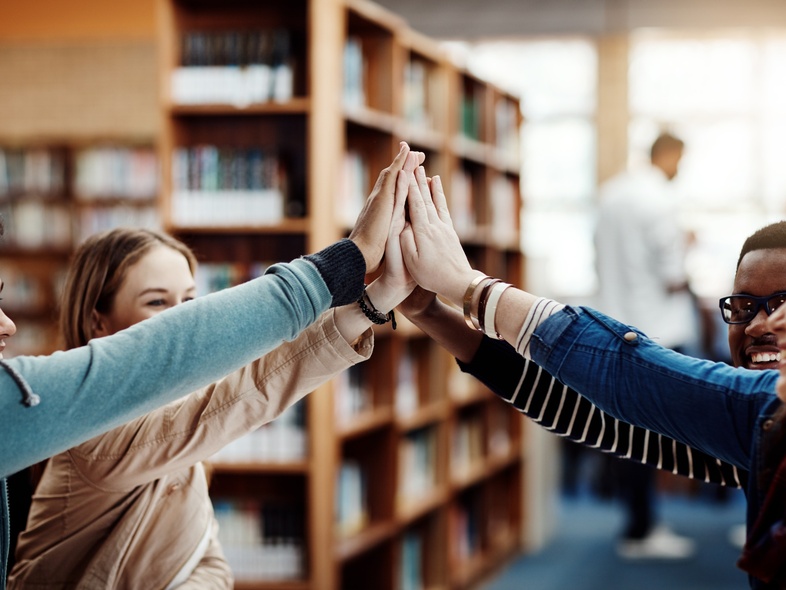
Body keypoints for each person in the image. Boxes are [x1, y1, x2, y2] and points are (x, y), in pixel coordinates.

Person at [0, 141, 419, 588]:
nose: (179, 320)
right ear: (97, 321)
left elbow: (208, 564)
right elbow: (245, 394)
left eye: (190, 302)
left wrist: (380, 296)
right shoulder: (96, 438)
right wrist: (360, 279)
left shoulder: (173, 431)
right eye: (157, 303)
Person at [397, 163, 786, 589]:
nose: (760, 324)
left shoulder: (769, 408)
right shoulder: (758, 433)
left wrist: (467, 285)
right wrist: (431, 312)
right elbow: (595, 417)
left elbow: (620, 373)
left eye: (784, 303)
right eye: (744, 307)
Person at [593, 131, 696, 558]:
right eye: (680, 161)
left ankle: (638, 523)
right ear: (668, 155)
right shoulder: (661, 200)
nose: (680, 170)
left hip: (615, 326)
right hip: (658, 332)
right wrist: (688, 247)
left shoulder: (611, 194)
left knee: (628, 433)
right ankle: (643, 530)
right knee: (655, 435)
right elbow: (673, 277)